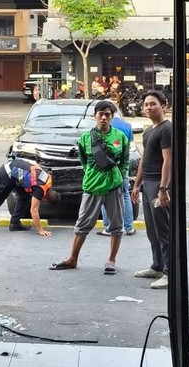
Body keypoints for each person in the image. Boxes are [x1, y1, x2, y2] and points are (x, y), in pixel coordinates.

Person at [50, 100, 129, 274]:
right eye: (100, 114)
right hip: (92, 187)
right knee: (82, 225)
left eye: (107, 114)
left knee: (116, 226)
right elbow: (83, 161)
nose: (103, 118)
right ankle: (72, 258)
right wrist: (91, 174)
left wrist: (120, 176)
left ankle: (111, 260)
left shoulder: (120, 137)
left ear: (112, 117)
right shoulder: (86, 138)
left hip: (113, 187)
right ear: (94, 116)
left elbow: (125, 161)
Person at [132, 91, 172, 290]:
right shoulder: (149, 131)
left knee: (164, 231)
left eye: (153, 104)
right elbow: (143, 160)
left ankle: (169, 273)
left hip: (158, 184)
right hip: (146, 184)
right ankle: (157, 266)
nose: (148, 107)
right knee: (152, 230)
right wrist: (136, 184)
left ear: (163, 105)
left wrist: (163, 189)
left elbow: (168, 161)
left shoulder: (167, 129)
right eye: (146, 104)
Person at [0, 158, 60, 235]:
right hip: (6, 174)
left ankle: (15, 224)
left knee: (24, 197)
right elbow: (33, 210)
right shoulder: (40, 189)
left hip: (15, 174)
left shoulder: (47, 179)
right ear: (46, 199)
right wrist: (40, 230)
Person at [97, 98, 135, 237]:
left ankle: (108, 227)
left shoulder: (98, 124)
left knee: (104, 197)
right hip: (121, 168)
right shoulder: (127, 126)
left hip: (104, 170)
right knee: (125, 195)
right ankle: (129, 227)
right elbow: (130, 149)